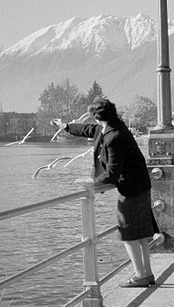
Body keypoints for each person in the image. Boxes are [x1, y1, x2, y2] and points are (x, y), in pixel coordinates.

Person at [52, 98, 159, 288]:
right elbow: (89, 130)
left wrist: (90, 183)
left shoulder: (114, 137)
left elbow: (111, 174)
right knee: (140, 234)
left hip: (132, 189)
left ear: (96, 117)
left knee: (128, 233)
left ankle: (140, 275)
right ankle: (147, 274)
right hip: (139, 184)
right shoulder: (110, 128)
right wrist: (66, 126)